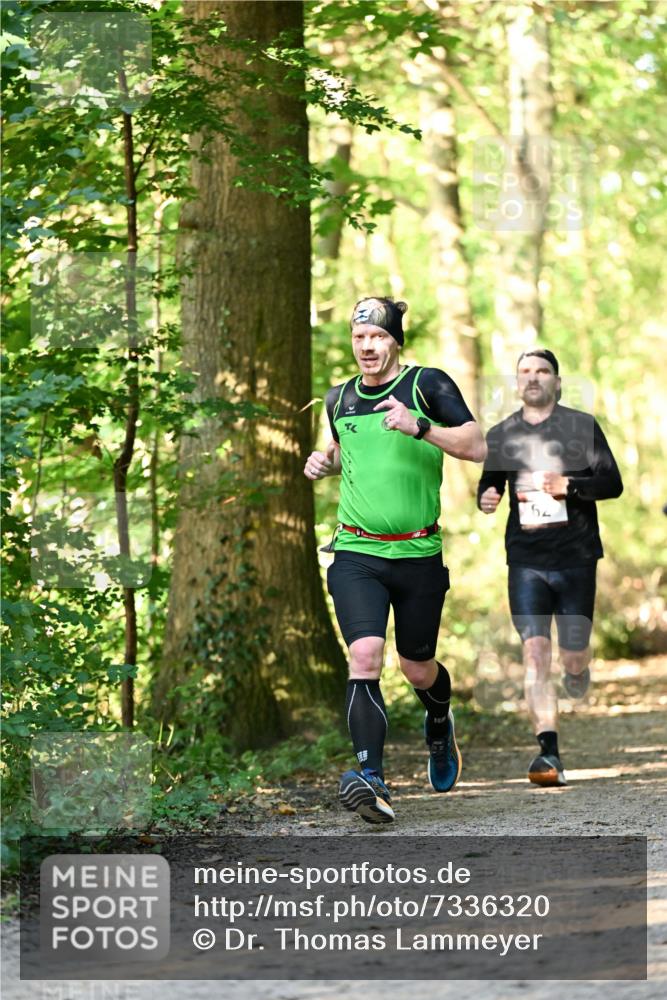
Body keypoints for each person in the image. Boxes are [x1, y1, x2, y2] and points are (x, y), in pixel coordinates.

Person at [304, 296, 486, 824]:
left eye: (378, 336)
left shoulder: (427, 385)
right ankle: (372, 779)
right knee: (364, 656)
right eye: (359, 337)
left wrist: (420, 427)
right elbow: (347, 453)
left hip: (418, 553)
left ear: (395, 341)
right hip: (356, 550)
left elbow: (477, 445)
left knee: (417, 667)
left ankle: (439, 721)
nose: (367, 346)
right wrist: (326, 463)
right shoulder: (338, 399)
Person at [477, 349, 623, 787]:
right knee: (535, 653)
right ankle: (548, 753)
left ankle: (577, 669)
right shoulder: (502, 434)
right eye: (525, 371)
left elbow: (612, 483)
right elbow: (489, 482)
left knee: (572, 653)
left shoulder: (581, 426)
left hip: (576, 556)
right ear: (517, 382)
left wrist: (570, 486)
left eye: (542, 371)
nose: (533, 377)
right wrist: (487, 497)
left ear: (556, 381)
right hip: (526, 561)